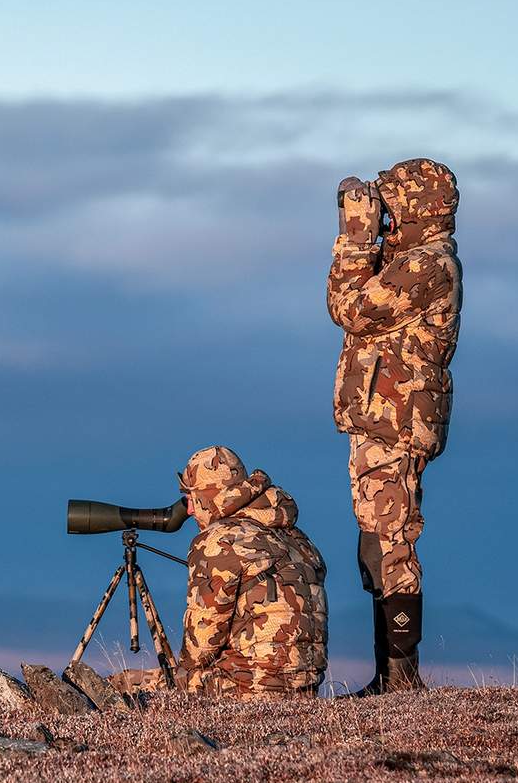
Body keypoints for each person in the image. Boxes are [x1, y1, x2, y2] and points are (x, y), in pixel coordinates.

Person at [328, 159, 462, 693]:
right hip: (380, 418)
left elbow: (352, 308)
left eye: (392, 200)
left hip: (397, 422)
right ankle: (389, 675)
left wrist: (356, 237)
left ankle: (402, 681)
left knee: (392, 543)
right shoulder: (408, 259)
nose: (385, 209)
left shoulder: (430, 265)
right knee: (374, 546)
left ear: (417, 206)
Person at [177, 446, 328, 697]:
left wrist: (181, 672)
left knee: (125, 686)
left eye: (190, 499)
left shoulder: (219, 541)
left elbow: (201, 645)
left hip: (245, 688)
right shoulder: (296, 537)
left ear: (208, 496)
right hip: (305, 690)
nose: (189, 510)